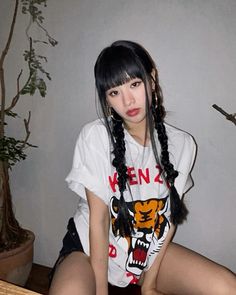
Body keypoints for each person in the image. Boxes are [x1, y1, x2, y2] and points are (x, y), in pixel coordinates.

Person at [49, 40, 236, 295]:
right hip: (89, 250)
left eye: (134, 84)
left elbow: (168, 220)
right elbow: (99, 219)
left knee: (226, 287)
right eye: (114, 92)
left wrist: (149, 285)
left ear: (152, 79)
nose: (127, 100)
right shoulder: (96, 137)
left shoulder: (183, 145)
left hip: (144, 252)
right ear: (106, 98)